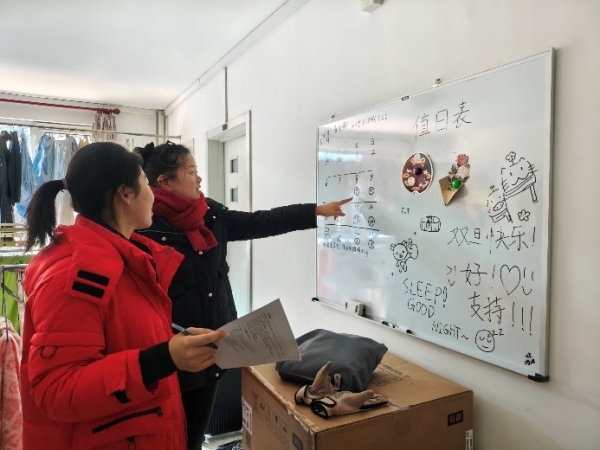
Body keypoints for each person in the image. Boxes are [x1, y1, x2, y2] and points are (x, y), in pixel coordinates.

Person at [134, 140, 351, 449]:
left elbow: (261, 221)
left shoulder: (209, 215)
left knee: (193, 436)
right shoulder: (143, 226)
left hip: (213, 350)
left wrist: (315, 212)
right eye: (191, 171)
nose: (199, 178)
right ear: (165, 182)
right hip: (169, 352)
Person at [20, 142, 225, 450]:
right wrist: (163, 358)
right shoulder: (77, 275)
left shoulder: (126, 259)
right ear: (126, 194)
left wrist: (174, 341)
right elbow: (58, 390)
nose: (153, 194)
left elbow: (117, 335)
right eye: (146, 184)